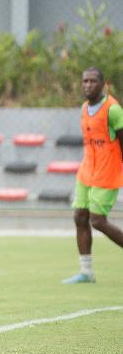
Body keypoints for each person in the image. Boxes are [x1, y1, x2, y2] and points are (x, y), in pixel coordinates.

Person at [62, 67, 123, 284]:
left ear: (103, 84)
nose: (88, 85)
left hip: (107, 171)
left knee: (98, 221)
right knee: (79, 217)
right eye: (85, 81)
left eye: (93, 81)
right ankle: (86, 272)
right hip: (87, 171)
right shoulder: (84, 108)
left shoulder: (113, 109)